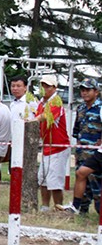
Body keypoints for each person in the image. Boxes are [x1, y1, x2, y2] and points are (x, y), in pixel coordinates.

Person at [63, 78, 102, 213]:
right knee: (81, 178)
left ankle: (98, 210)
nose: (84, 93)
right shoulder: (81, 108)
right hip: (82, 151)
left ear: (96, 92)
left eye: (88, 90)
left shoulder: (100, 108)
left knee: (95, 183)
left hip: (97, 154)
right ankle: (80, 209)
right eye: (82, 90)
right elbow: (77, 130)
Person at [33, 74, 70, 211]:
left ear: (55, 88)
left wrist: (31, 121)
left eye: (48, 86)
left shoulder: (56, 102)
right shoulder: (41, 102)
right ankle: (45, 206)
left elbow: (43, 117)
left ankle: (57, 207)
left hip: (58, 147)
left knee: (55, 181)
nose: (44, 88)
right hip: (47, 146)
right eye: (43, 85)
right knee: (43, 178)